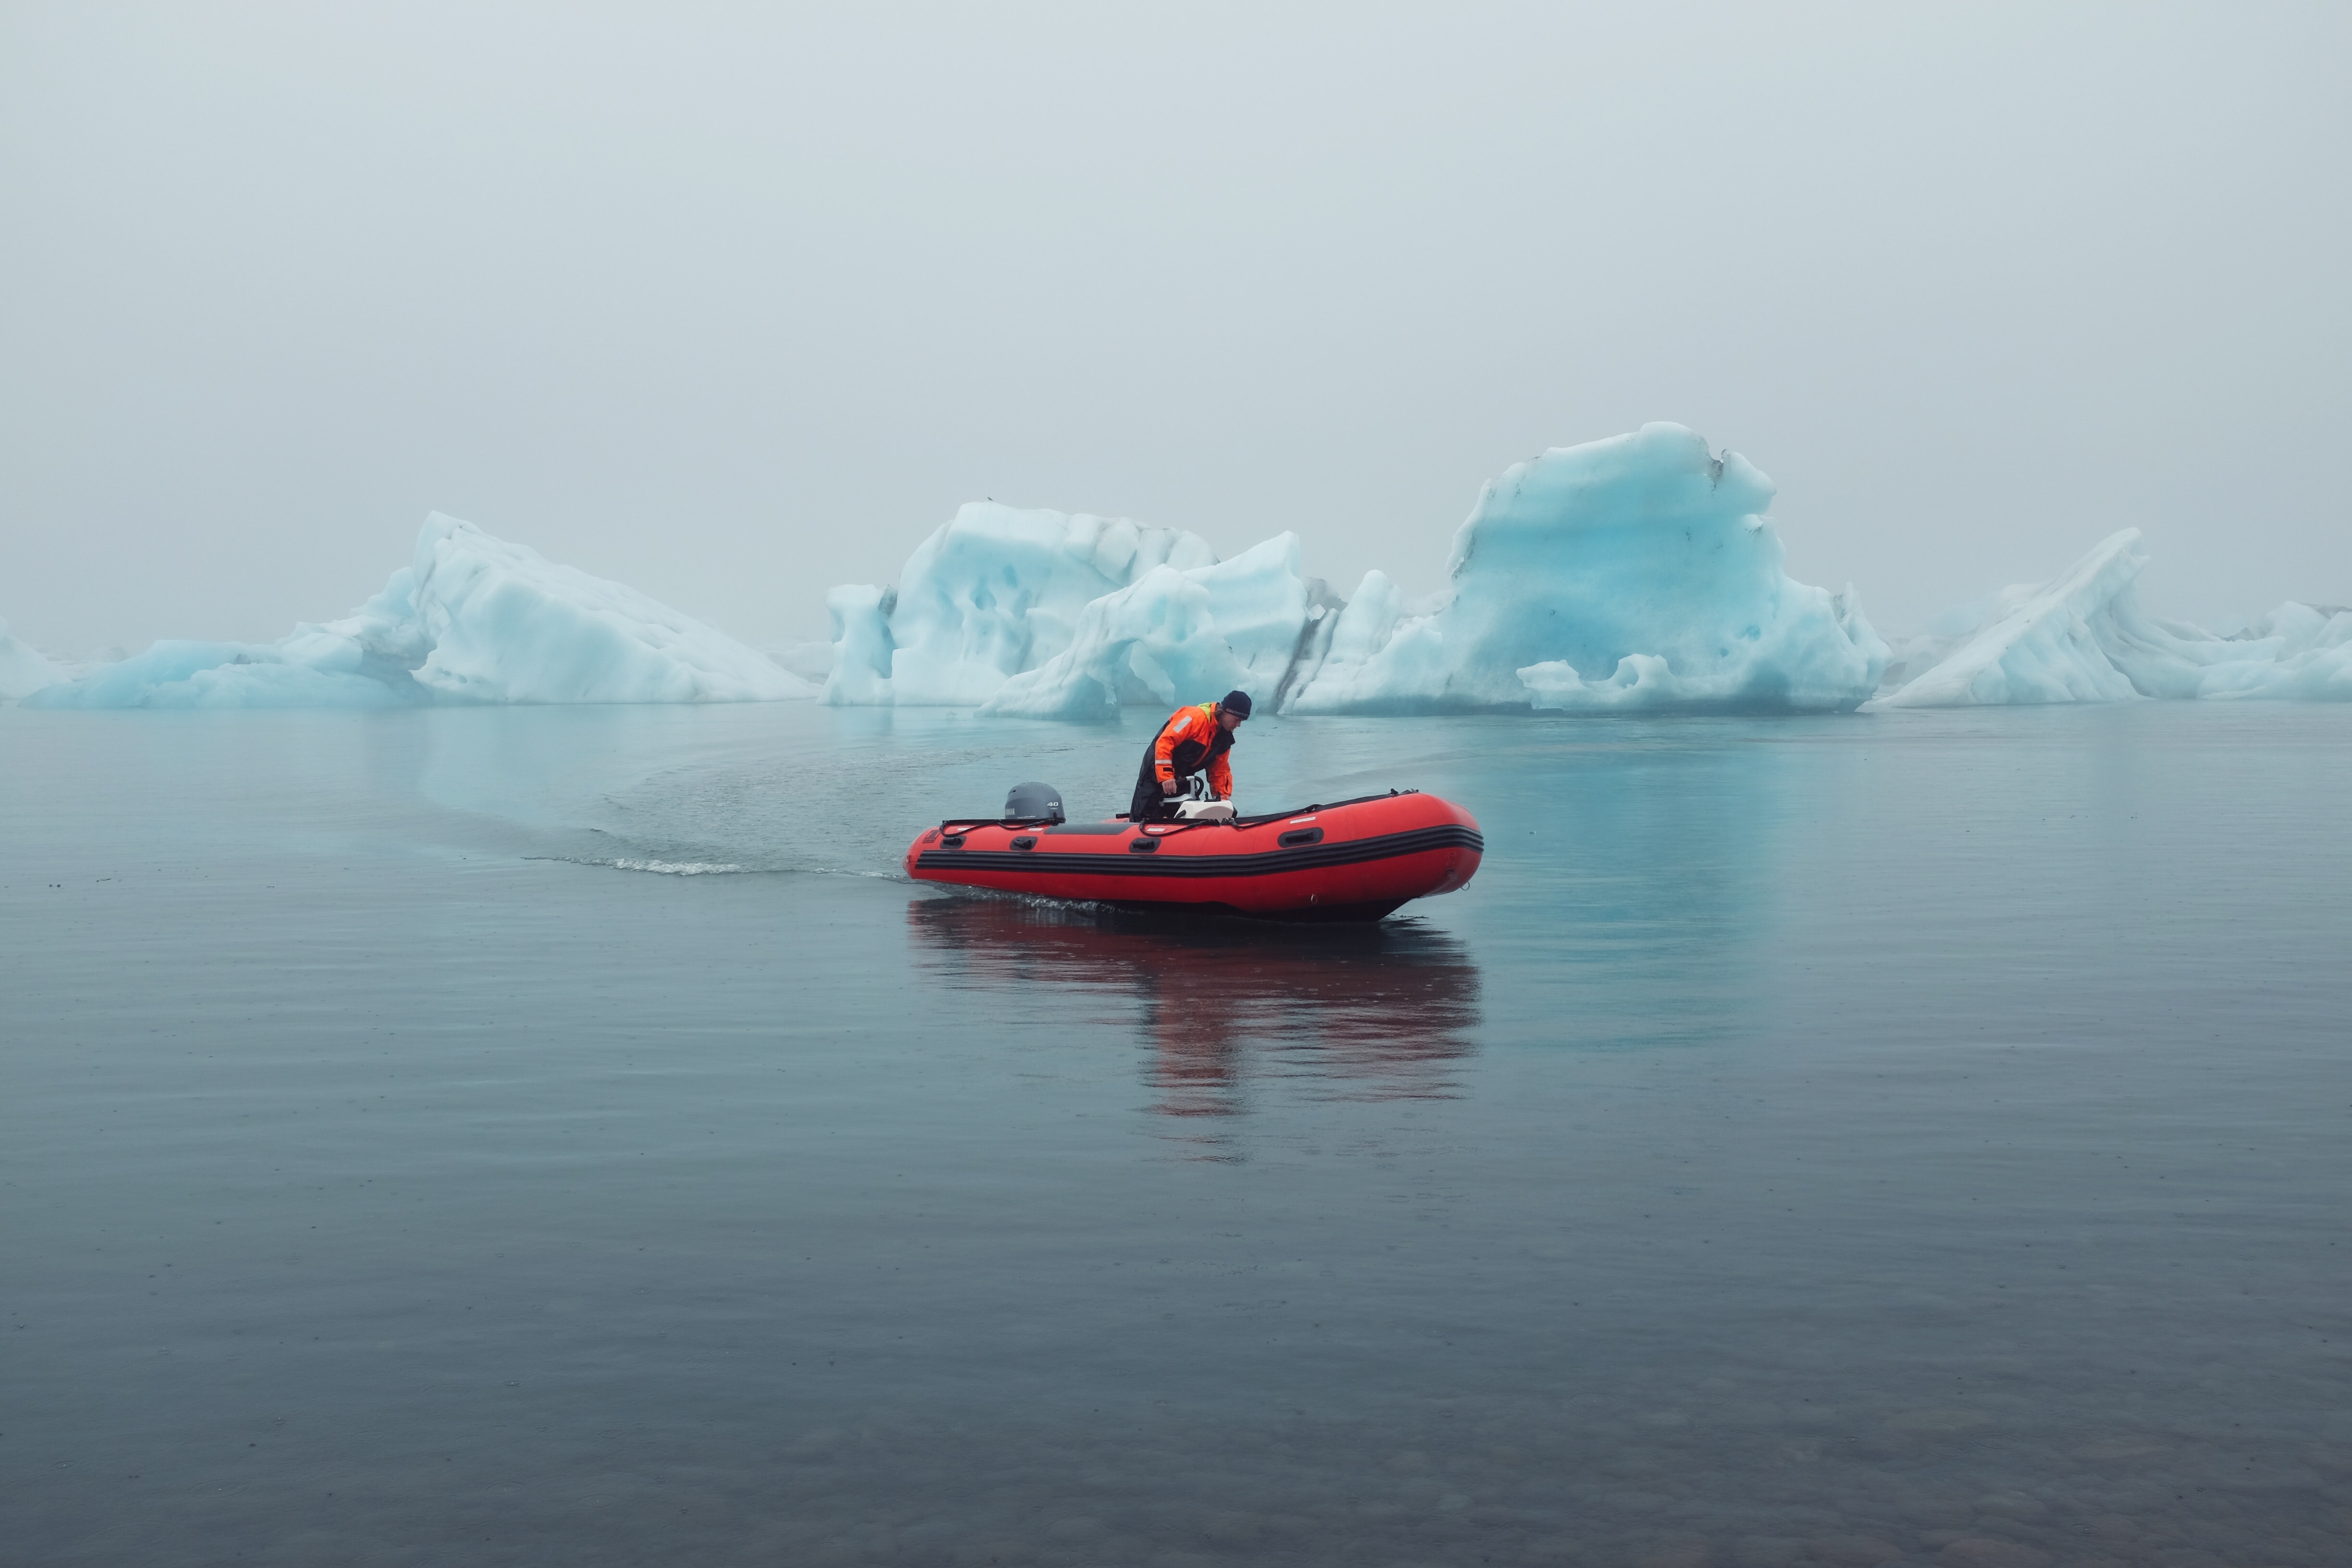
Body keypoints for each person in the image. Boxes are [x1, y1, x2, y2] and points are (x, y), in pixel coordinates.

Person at [1128, 690, 1251, 822]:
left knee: (1185, 813)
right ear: (1226, 712)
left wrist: (1222, 800)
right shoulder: (1194, 717)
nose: (1238, 725)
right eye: (1237, 720)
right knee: (1146, 811)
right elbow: (1166, 741)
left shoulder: (1224, 739)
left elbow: (1220, 772)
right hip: (1156, 767)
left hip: (1183, 775)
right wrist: (1166, 777)